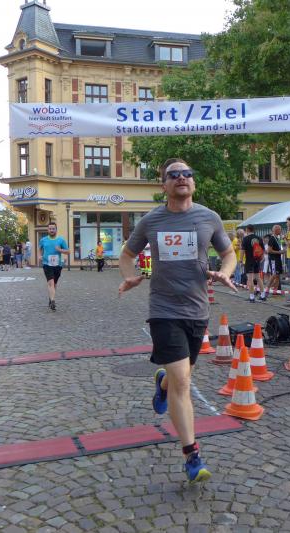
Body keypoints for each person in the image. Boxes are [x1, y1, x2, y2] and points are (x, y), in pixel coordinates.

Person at [118, 158, 236, 483]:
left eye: (187, 173)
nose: (181, 177)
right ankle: (191, 455)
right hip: (163, 310)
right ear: (164, 185)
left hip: (197, 312)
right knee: (183, 382)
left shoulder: (208, 217)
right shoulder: (151, 220)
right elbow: (127, 255)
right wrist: (129, 276)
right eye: (174, 174)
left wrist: (225, 272)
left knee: (178, 378)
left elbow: (229, 253)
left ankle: (162, 383)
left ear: (193, 182)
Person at [39, 222, 69, 311]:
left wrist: (60, 250)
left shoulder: (61, 240)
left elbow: (68, 251)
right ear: (48, 230)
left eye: (53, 229)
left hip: (57, 265)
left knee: (54, 283)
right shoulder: (43, 240)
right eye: (50, 229)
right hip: (47, 264)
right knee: (50, 282)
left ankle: (51, 297)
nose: (51, 230)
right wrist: (40, 256)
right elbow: (40, 249)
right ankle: (53, 301)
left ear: (56, 230)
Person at [241, 224, 266, 302]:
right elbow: (263, 250)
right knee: (258, 278)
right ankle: (263, 296)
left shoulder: (245, 239)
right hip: (257, 260)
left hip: (249, 260)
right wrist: (261, 258)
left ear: (247, 230)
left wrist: (240, 260)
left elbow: (242, 250)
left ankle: (252, 297)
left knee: (250, 279)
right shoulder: (259, 238)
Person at [266, 224, 284, 291]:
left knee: (278, 275)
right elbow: (269, 250)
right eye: (280, 229)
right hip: (273, 259)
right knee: (274, 274)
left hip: (278, 259)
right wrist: (279, 252)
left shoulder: (278, 238)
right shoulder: (272, 238)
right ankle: (267, 288)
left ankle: (276, 290)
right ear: (276, 230)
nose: (281, 231)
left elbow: (281, 245)